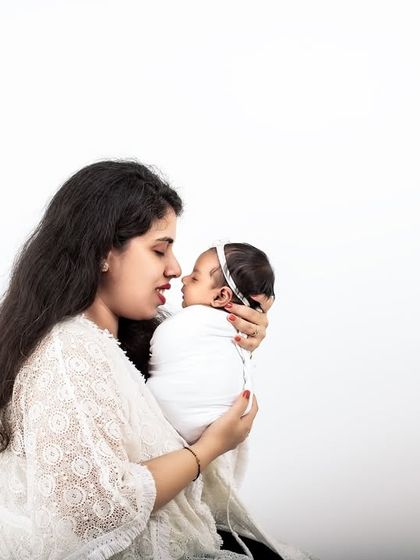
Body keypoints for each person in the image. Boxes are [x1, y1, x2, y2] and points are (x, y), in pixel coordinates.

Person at [0, 160, 316, 560]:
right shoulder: (69, 352)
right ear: (102, 253)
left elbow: (183, 421)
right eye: (159, 248)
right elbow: (91, 515)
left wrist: (230, 346)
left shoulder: (132, 341)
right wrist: (207, 450)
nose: (176, 268)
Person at [147, 242, 275, 445]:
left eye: (195, 278)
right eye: (158, 251)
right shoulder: (227, 329)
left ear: (221, 296)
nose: (183, 277)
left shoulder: (188, 324)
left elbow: (163, 347)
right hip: (212, 431)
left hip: (171, 427)